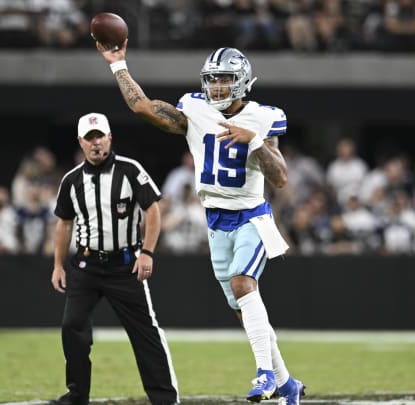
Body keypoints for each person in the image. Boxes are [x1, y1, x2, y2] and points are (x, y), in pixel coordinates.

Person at [97, 43, 305, 404]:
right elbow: (143, 106)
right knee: (243, 307)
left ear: (242, 82)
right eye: (212, 80)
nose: (217, 88)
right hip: (215, 220)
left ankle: (265, 375)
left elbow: (281, 178)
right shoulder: (194, 109)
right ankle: (288, 384)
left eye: (225, 80)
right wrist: (119, 65)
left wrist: (254, 140)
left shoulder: (263, 117)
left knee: (244, 284)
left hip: (252, 216)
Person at [49, 113, 179, 405]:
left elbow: (153, 210)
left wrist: (147, 252)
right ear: (81, 142)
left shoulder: (130, 170)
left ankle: (165, 400)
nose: (96, 143)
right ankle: (77, 395)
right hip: (86, 265)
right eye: (90, 138)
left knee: (145, 333)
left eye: (100, 136)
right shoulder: (71, 180)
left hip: (124, 265)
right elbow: (64, 224)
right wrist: (58, 265)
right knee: (73, 327)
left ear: (109, 138)